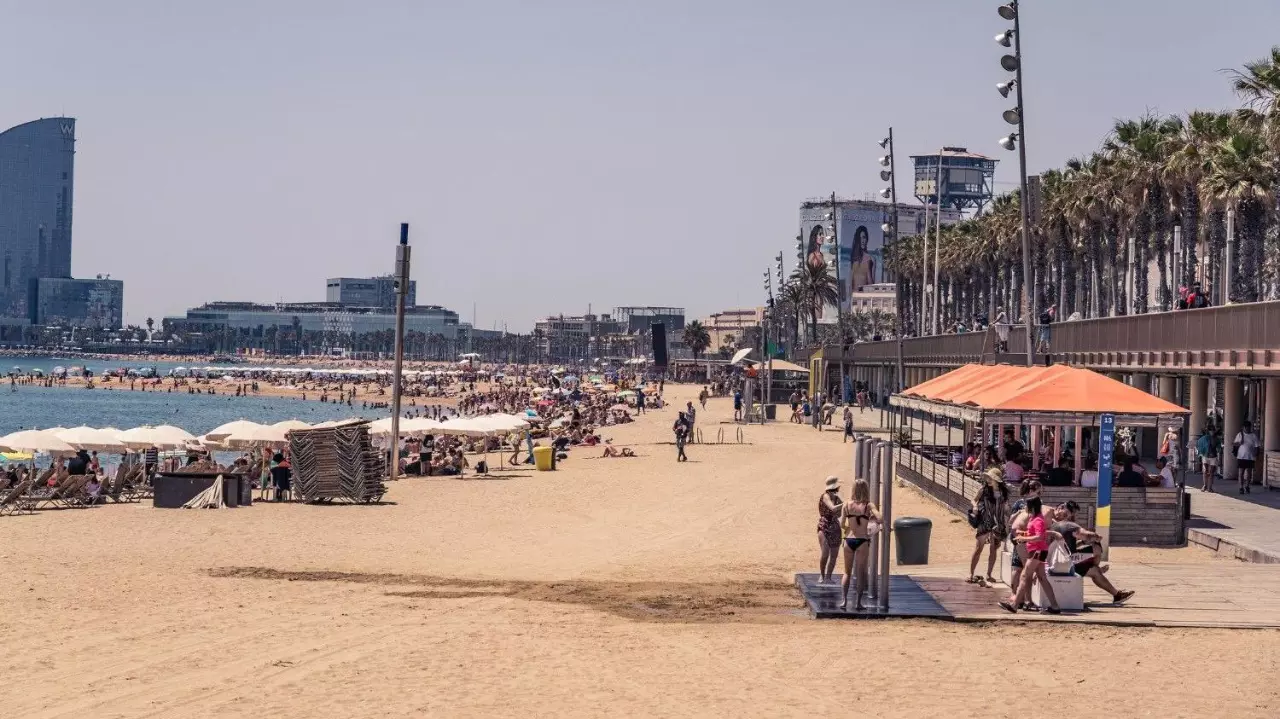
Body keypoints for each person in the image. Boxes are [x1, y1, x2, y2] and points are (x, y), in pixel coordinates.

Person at [1049, 501, 1134, 605]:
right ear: (1063, 509)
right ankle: (1116, 594)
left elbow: (1068, 546)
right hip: (1064, 566)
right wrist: (1095, 537)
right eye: (1072, 512)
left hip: (1053, 563)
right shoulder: (1068, 525)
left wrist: (1083, 542)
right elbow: (1086, 534)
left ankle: (1096, 569)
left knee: (1095, 550)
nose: (1074, 515)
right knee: (1096, 561)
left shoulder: (1052, 524)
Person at [1000, 497, 1061, 614]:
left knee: (1024, 576)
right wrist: (1023, 533)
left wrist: (1023, 538)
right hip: (1038, 551)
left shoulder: (1038, 519)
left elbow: (1039, 537)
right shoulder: (1035, 518)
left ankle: (1014, 605)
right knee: (1042, 578)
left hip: (1037, 552)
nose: (1025, 508)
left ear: (1031, 507)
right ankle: (1055, 606)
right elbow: (1036, 533)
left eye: (1026, 506)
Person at [839, 478, 881, 611]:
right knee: (861, 572)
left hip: (849, 540)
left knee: (847, 572)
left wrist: (848, 529)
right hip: (862, 540)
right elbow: (880, 518)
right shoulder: (869, 505)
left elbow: (841, 524)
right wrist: (872, 520)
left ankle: (844, 601)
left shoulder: (846, 504)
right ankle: (858, 602)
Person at [968, 471, 1009, 584]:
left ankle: (989, 575)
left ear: (996, 480)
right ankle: (971, 574)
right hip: (985, 521)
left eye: (990, 478)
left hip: (998, 523)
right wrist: (975, 506)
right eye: (988, 478)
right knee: (978, 548)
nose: (988, 480)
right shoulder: (984, 490)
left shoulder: (1003, 492)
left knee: (993, 549)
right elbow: (973, 499)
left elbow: (1005, 509)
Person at [816, 476, 843, 583]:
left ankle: (828, 577)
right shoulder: (825, 496)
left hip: (835, 526)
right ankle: (822, 575)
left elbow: (840, 514)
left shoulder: (837, 498)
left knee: (834, 554)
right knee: (825, 553)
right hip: (825, 525)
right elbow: (833, 508)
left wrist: (841, 504)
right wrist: (844, 504)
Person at [1234, 421, 1260, 493]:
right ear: (1243, 427)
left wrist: (1256, 455)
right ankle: (1241, 487)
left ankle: (1247, 486)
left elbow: (1257, 446)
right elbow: (1234, 444)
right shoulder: (1240, 435)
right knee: (1241, 472)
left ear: (1250, 427)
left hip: (1250, 457)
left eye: (1248, 427)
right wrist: (1239, 442)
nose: (1247, 428)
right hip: (1241, 457)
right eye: (1245, 427)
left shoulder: (1253, 436)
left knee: (1249, 473)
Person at [1195, 427, 1218, 492]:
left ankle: (1210, 487)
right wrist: (1200, 451)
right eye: (1211, 430)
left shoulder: (1216, 438)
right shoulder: (1204, 438)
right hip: (1205, 456)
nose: (1212, 431)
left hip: (1213, 456)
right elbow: (1198, 444)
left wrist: (1218, 448)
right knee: (1205, 471)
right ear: (1209, 431)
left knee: (1211, 472)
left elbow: (1219, 446)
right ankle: (1205, 485)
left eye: (1213, 430)